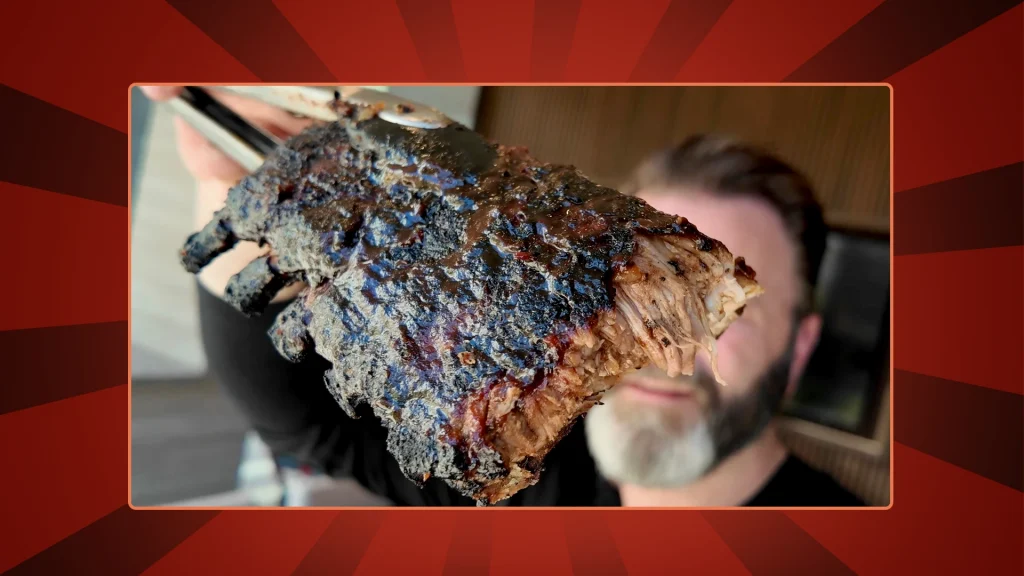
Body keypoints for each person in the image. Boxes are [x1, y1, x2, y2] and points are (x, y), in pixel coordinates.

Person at [141, 87, 864, 507]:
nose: (649, 354)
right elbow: (307, 428)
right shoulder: (526, 459)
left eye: (715, 311)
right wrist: (241, 184)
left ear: (800, 347)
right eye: (622, 289)